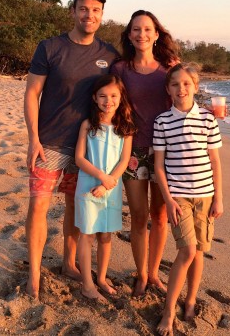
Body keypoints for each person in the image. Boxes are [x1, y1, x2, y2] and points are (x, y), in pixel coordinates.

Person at [24, 0, 119, 299]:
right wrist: (33, 138)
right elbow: (32, 94)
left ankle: (68, 263)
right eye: (83, 9)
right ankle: (34, 276)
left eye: (95, 10)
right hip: (49, 143)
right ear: (73, 11)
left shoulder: (108, 55)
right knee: (38, 205)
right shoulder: (50, 47)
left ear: (101, 16)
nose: (89, 15)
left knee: (73, 209)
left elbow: (123, 91)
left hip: (87, 149)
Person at [110, 10, 179, 296]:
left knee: (160, 216)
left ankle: (154, 273)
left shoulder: (170, 67)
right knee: (138, 216)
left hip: (166, 150)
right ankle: (140, 274)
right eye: (136, 29)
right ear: (129, 34)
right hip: (133, 149)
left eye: (147, 29)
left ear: (156, 34)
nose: (142, 34)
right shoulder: (120, 68)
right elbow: (108, 102)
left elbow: (185, 100)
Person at [152, 63, 224, 336]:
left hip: (205, 196)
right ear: (168, 89)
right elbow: (159, 165)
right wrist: (168, 200)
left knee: (200, 251)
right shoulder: (162, 121)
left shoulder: (208, 119)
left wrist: (219, 198)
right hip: (178, 196)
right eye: (175, 84)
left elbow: (215, 161)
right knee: (187, 251)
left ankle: (191, 300)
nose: (181, 89)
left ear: (195, 86)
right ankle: (169, 310)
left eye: (186, 84)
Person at [74, 74, 136, 302]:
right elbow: (80, 158)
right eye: (102, 96)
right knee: (87, 234)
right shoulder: (88, 125)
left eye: (113, 96)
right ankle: (87, 284)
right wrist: (101, 177)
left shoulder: (125, 128)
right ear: (94, 98)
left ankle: (101, 278)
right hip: (89, 186)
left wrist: (108, 183)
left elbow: (124, 160)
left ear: (121, 98)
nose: (107, 100)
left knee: (106, 235)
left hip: (112, 187)